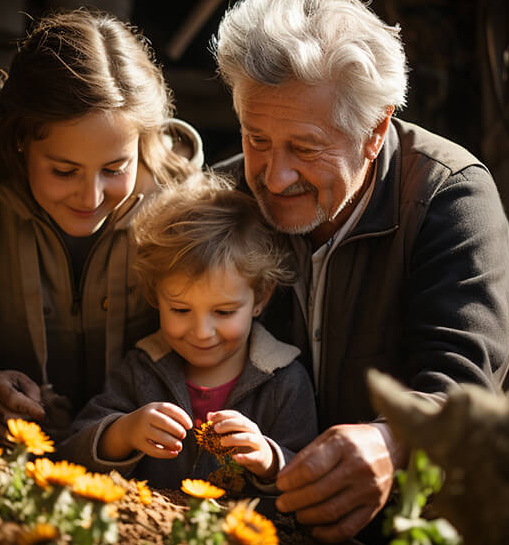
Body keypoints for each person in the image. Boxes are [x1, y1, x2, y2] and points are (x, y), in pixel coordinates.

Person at [209, 0, 509, 541]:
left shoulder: (447, 195)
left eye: (305, 149)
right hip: (282, 522)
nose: (273, 175)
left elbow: (462, 383)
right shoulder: (226, 198)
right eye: (255, 138)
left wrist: (393, 439)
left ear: (374, 129)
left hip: (459, 525)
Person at [0, 9, 204, 440]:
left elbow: (224, 346)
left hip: (153, 462)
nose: (91, 198)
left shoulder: (183, 206)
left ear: (144, 143)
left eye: (115, 168)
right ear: (20, 141)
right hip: (0, 457)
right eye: (64, 171)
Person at [57, 175, 317, 490]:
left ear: (261, 297)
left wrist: (270, 460)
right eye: (180, 310)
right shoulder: (142, 371)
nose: (202, 332)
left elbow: (310, 476)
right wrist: (124, 432)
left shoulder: (284, 382)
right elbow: (71, 456)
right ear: (156, 295)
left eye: (223, 312)